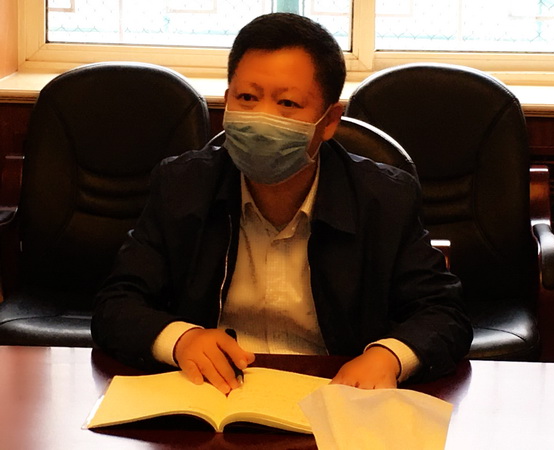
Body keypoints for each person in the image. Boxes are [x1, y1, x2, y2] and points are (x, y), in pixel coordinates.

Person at [92, 12, 472, 394]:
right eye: (247, 98)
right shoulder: (182, 186)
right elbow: (116, 304)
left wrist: (388, 357)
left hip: (333, 393)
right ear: (227, 100)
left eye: (287, 103)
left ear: (329, 121)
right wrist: (181, 340)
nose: (262, 119)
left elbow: (443, 313)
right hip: (212, 392)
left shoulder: (384, 199)